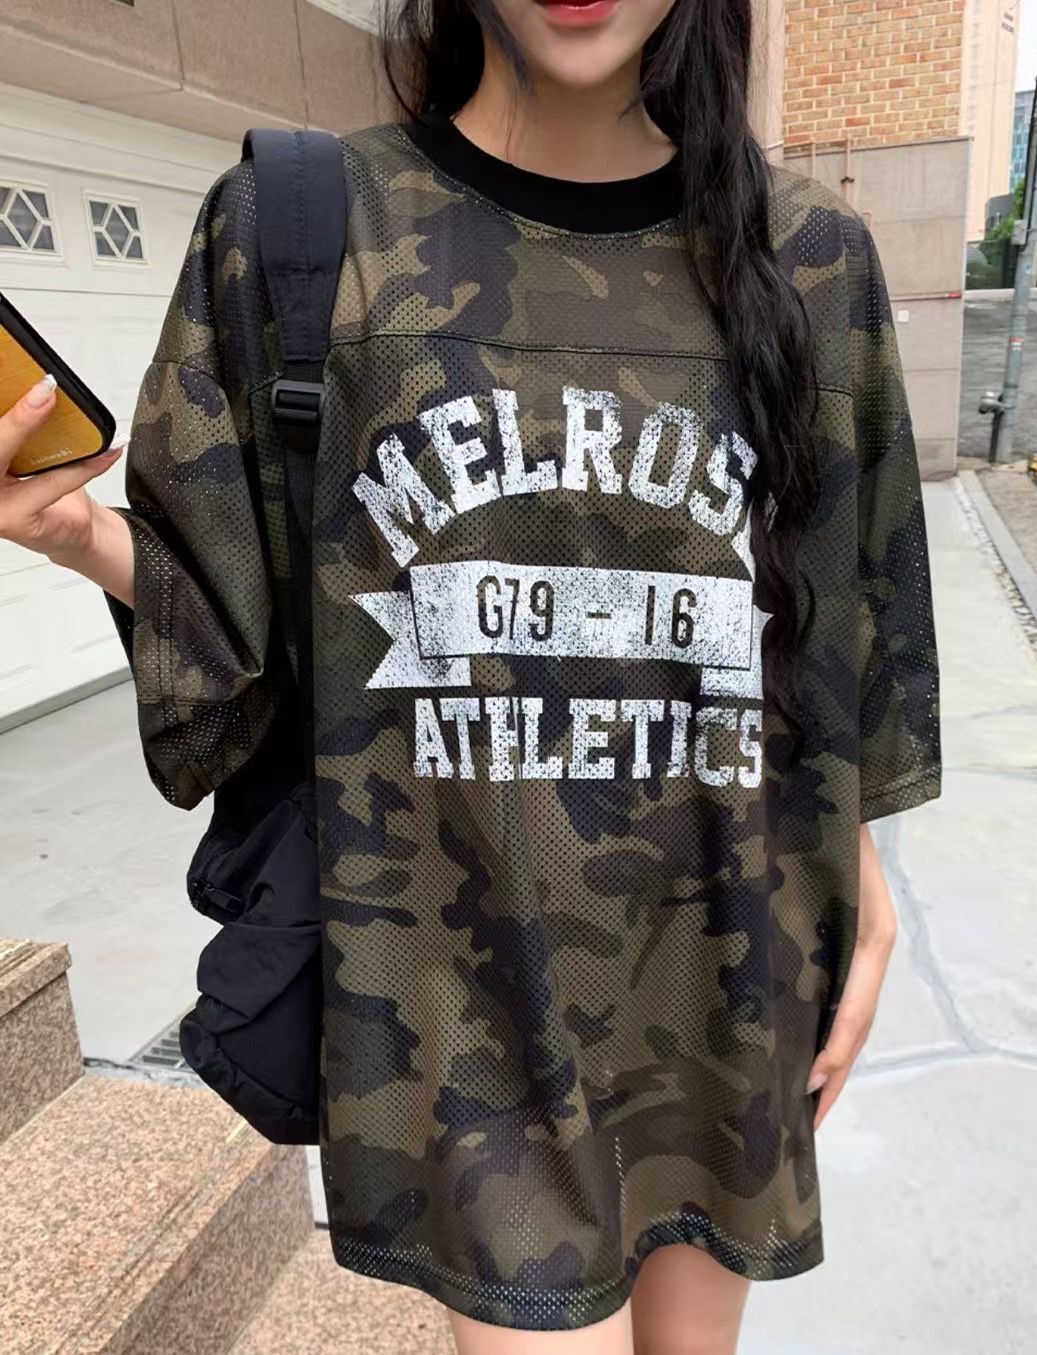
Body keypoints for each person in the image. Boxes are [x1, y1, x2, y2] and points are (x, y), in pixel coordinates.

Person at [0, 0, 941, 1350]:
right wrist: (78, 534)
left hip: (729, 965)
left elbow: (843, 616)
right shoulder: (307, 233)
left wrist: (861, 864)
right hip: (463, 990)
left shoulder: (810, 257)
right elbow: (247, 629)